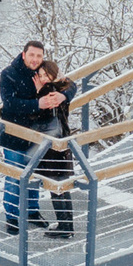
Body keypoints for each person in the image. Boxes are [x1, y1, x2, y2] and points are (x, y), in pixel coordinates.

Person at [0, 41, 69, 234]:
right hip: (14, 135)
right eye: (32, 55)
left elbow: (70, 84)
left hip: (37, 136)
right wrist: (38, 104)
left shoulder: (43, 71)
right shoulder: (9, 74)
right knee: (15, 176)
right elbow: (10, 103)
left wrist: (64, 96)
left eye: (39, 56)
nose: (35, 59)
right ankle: (12, 216)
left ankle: (32, 211)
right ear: (23, 55)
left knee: (33, 175)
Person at [31, 60, 79, 238]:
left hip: (52, 145)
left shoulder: (48, 92)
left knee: (55, 187)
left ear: (53, 74)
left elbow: (37, 115)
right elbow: (72, 84)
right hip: (63, 142)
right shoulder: (62, 88)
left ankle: (64, 227)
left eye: (45, 75)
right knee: (62, 186)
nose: (43, 78)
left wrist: (36, 92)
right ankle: (67, 225)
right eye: (40, 75)